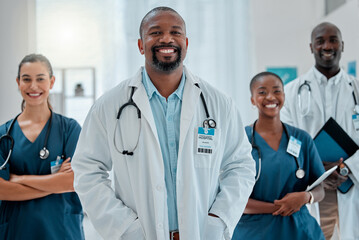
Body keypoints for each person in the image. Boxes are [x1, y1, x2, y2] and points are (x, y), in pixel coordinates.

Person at [72, 6, 255, 240]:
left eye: (175, 32)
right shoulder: (109, 106)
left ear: (186, 43)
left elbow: (241, 166)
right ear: (140, 45)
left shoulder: (219, 104)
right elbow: (87, 170)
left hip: (202, 233)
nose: (166, 38)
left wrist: (219, 220)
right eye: (155, 32)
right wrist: (124, 227)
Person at [281, 22, 359, 239]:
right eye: (320, 41)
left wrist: (346, 168)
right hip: (312, 186)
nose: (327, 45)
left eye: (333, 40)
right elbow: (287, 140)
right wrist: (316, 170)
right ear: (311, 47)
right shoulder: (292, 91)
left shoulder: (357, 89)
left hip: (351, 183)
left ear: (342, 45)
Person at [0, 54, 84, 239]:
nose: (33, 86)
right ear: (18, 82)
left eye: (40, 78)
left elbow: (71, 182)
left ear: (52, 81)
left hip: (61, 231)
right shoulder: (3, 135)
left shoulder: (69, 130)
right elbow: (2, 190)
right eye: (26, 79)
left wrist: (18, 178)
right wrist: (55, 183)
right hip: (17, 231)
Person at [232, 72, 325, 240]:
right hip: (254, 232)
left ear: (283, 95)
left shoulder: (302, 139)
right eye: (262, 92)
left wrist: (305, 197)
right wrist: (284, 206)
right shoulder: (240, 140)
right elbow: (232, 197)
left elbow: (320, 189)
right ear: (252, 100)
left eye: (276, 91)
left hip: (299, 230)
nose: (270, 97)